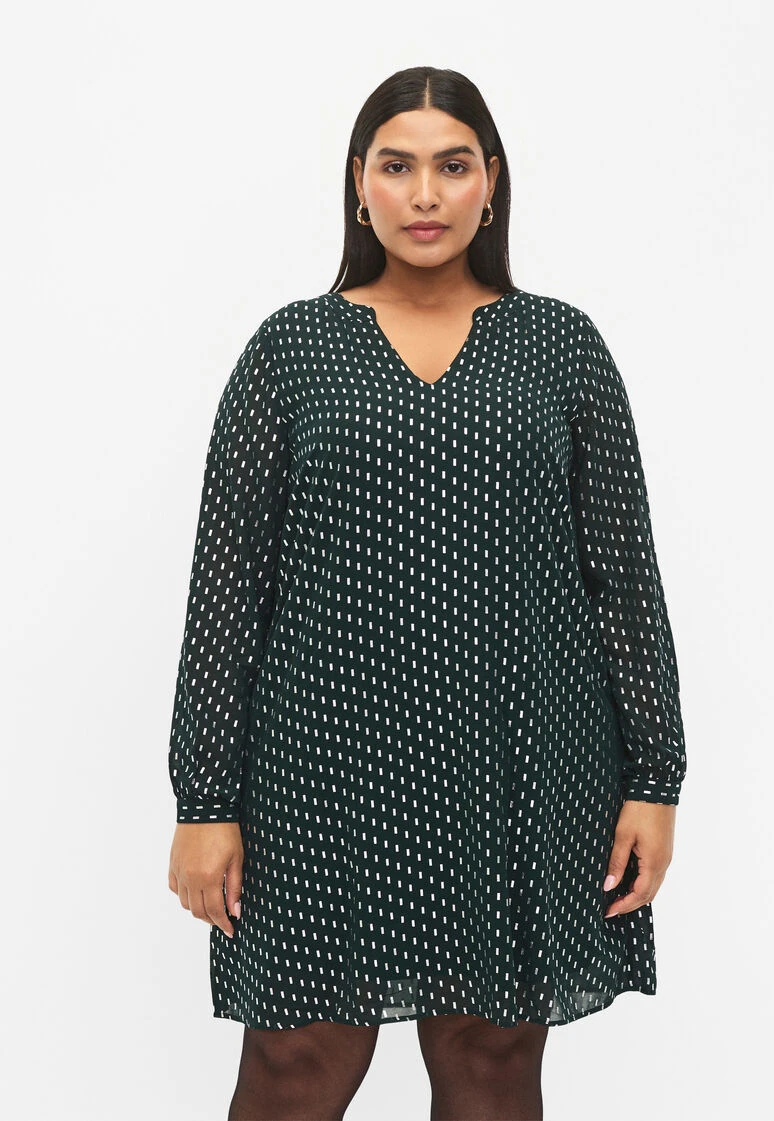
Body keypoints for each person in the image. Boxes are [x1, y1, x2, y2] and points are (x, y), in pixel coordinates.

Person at [167, 65, 686, 1121]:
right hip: (320, 770)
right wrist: (204, 800)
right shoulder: (291, 351)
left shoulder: (560, 347)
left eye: (451, 166)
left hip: (523, 761)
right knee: (295, 1065)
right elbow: (226, 590)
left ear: (490, 181)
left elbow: (624, 578)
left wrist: (654, 778)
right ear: (358, 184)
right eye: (397, 167)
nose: (424, 194)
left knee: (491, 1063)